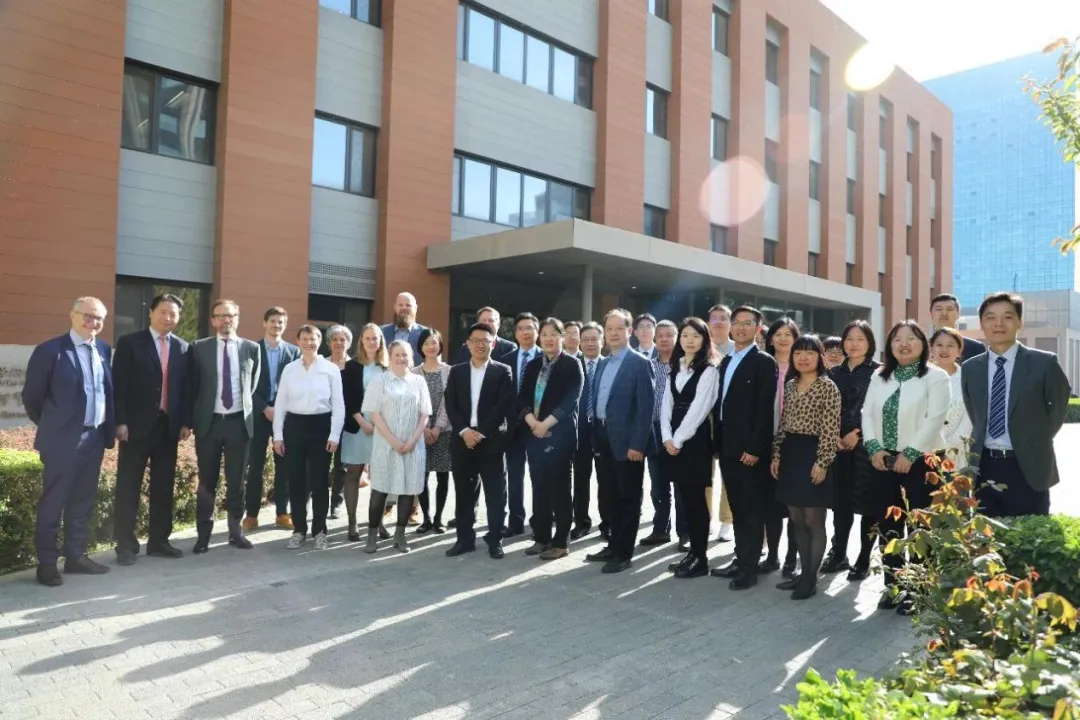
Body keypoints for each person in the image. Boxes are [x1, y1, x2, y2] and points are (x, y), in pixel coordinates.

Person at [23, 297, 116, 587]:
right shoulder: (50, 351)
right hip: (62, 441)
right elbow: (32, 398)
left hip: (94, 437)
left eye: (98, 318)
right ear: (72, 315)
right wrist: (55, 426)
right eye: (87, 316)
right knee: (53, 502)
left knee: (83, 501)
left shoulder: (103, 349)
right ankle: (47, 564)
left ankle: (75, 557)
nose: (93, 322)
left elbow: (106, 392)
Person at [862, 320, 950, 614]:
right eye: (897, 339)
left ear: (923, 344)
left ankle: (919, 588)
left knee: (920, 525)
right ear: (890, 346)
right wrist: (873, 448)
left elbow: (935, 418)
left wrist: (910, 454)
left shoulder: (935, 377)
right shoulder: (879, 376)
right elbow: (866, 413)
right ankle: (893, 585)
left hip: (922, 460)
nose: (904, 344)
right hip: (882, 461)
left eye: (911, 338)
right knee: (888, 524)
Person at [961, 292, 1071, 518]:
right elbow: (975, 414)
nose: (998, 323)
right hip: (985, 465)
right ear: (981, 324)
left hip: (1029, 465)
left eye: (1008, 317)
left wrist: (1034, 438)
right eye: (991, 317)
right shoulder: (970, 368)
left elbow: (1058, 407)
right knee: (986, 534)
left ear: (1020, 322)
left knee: (1030, 533)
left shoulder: (1044, 363)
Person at [112, 293, 191, 566]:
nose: (168, 318)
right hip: (135, 428)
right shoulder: (130, 343)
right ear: (151, 313)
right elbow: (119, 385)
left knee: (163, 487)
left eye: (173, 314)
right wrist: (120, 421)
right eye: (163, 312)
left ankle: (159, 541)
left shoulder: (183, 348)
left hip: (168, 428)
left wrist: (185, 422)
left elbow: (186, 389)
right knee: (128, 487)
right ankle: (125, 545)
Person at [770, 335, 842, 600]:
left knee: (813, 519)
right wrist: (776, 454)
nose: (803, 357)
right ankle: (803, 574)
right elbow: (783, 424)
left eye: (809, 353)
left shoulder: (828, 387)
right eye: (798, 352)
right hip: (791, 454)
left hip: (814, 454)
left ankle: (811, 578)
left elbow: (830, 429)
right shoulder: (790, 385)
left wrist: (822, 462)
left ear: (819, 357)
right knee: (796, 518)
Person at [585, 309, 656, 574]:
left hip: (628, 444)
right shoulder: (603, 363)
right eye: (609, 328)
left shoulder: (639, 363)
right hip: (603, 437)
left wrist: (637, 444)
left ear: (629, 331)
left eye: (619, 328)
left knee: (628, 498)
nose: (613, 333)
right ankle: (613, 544)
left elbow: (646, 409)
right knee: (609, 496)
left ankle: (624, 553)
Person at [187, 299, 261, 554]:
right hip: (209, 424)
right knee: (207, 482)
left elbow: (252, 385)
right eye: (221, 315)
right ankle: (203, 536)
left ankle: (235, 532)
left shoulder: (251, 348)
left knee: (236, 482)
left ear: (237, 318)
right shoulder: (199, 348)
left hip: (238, 424)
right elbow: (193, 386)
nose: (226, 320)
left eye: (231, 315)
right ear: (213, 320)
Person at [711, 306, 777, 590]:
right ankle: (740, 559)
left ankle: (749, 569)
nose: (740, 327)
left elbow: (764, 409)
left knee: (751, 510)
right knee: (738, 508)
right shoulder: (726, 360)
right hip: (727, 446)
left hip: (749, 451)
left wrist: (754, 448)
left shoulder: (763, 362)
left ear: (757, 329)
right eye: (736, 322)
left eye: (747, 323)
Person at [444, 322, 517, 559]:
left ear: (493, 344)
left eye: (485, 341)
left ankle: (495, 540)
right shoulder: (457, 371)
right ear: (467, 344)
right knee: (464, 494)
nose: (480, 345)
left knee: (496, 495)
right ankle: (464, 540)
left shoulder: (502, 371)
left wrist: (481, 432)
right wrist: (465, 431)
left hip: (491, 441)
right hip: (463, 441)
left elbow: (503, 406)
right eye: (475, 341)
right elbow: (451, 405)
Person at [273, 325, 344, 551]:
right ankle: (299, 530)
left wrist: (334, 435)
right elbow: (280, 404)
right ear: (298, 341)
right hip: (294, 426)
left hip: (321, 426)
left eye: (312, 339)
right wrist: (278, 436)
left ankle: (320, 531)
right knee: (296, 481)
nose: (308, 343)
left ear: (319, 341)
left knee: (319, 481)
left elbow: (339, 405)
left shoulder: (330, 369)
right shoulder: (289, 369)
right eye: (304, 339)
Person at [517, 318, 583, 560]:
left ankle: (561, 542)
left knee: (560, 489)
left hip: (560, 435)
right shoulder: (533, 365)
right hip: (534, 434)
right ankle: (542, 538)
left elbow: (571, 399)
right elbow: (522, 398)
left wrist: (545, 424)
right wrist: (533, 424)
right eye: (544, 334)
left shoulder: (572, 364)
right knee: (539, 487)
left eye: (553, 334)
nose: (548, 339)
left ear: (562, 337)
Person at [821, 320, 881, 581]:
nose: (853, 344)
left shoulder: (880, 372)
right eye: (849, 338)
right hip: (837, 447)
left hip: (868, 446)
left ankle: (864, 558)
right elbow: (826, 408)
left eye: (860, 339)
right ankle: (838, 553)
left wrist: (857, 433)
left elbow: (878, 409)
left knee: (869, 505)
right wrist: (833, 434)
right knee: (840, 503)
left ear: (870, 343)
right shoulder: (833, 373)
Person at [661, 317, 720, 579]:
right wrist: (666, 437)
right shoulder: (676, 367)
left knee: (696, 500)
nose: (690, 340)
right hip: (673, 439)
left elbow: (699, 409)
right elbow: (666, 404)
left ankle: (700, 557)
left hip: (694, 441)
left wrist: (678, 439)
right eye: (685, 335)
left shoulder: (709, 370)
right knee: (685, 499)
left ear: (704, 339)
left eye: (696, 336)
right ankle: (692, 555)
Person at [361, 340, 432, 554]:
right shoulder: (379, 381)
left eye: (405, 355)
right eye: (397, 355)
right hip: (385, 445)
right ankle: (372, 534)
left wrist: (412, 441)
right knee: (380, 490)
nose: (401, 358)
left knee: (408, 490)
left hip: (413, 446)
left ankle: (400, 535)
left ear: (411, 358)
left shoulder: (419, 381)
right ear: (389, 357)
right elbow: (374, 414)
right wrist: (392, 440)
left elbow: (424, 414)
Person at [245, 306, 299, 531]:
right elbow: (246, 384)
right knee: (255, 467)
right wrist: (264, 408)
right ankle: (251, 515)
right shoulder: (252, 349)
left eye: (280, 322)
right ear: (264, 323)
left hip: (284, 418)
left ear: (285, 326)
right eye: (273, 321)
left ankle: (282, 513)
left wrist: (281, 409)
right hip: (259, 416)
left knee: (284, 467)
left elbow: (297, 384)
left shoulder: (294, 352)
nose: (276, 325)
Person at [640, 319, 689, 550]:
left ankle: (685, 534)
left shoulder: (685, 366)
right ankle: (660, 530)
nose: (663, 339)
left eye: (669, 335)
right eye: (660, 335)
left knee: (681, 486)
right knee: (658, 486)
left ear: (676, 338)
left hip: (678, 432)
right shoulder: (648, 366)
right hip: (654, 431)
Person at [340, 323, 387, 542]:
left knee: (380, 477)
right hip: (357, 425)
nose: (371, 342)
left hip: (382, 428)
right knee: (353, 473)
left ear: (381, 341)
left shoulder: (387, 367)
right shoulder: (351, 366)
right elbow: (347, 397)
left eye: (375, 338)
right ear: (361, 341)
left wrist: (378, 425)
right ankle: (352, 522)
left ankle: (378, 522)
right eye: (367, 338)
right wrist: (362, 421)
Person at [763, 317, 800, 577]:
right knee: (771, 505)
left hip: (795, 445)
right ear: (771, 338)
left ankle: (791, 557)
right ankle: (772, 554)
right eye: (778, 334)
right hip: (766, 441)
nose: (783, 339)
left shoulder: (803, 366)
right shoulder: (763, 365)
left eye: (788, 334)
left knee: (795, 505)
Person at [411, 328, 453, 534]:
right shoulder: (413, 373)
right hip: (421, 431)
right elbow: (413, 404)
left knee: (443, 476)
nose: (430, 346)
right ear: (421, 347)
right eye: (426, 343)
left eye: (434, 342)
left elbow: (449, 403)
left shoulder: (450, 371)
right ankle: (426, 518)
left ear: (440, 345)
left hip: (444, 430)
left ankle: (438, 519)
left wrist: (437, 427)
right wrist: (426, 429)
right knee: (422, 476)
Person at [504, 312, 540, 537]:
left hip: (538, 425)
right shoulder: (506, 359)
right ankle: (515, 522)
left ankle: (540, 521)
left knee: (539, 475)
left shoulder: (547, 358)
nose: (526, 332)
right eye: (521, 328)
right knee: (514, 476)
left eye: (530, 328)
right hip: (513, 427)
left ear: (537, 332)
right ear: (515, 333)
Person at [707, 303, 736, 543]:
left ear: (730, 323)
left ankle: (727, 520)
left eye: (723, 318)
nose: (718, 322)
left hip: (729, 418)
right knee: (704, 472)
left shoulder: (738, 350)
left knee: (729, 472)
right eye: (714, 318)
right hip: (704, 418)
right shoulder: (701, 348)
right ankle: (705, 518)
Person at [572, 321, 603, 540]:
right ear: (580, 342)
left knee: (606, 480)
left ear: (602, 341)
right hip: (578, 431)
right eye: (586, 340)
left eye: (594, 339)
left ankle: (607, 523)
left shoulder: (610, 365)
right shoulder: (572, 365)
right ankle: (581, 522)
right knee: (580, 479)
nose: (590, 344)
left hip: (604, 430)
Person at [930, 327, 973, 460]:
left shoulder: (968, 380)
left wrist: (944, 448)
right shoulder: (919, 378)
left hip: (958, 453)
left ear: (959, 351)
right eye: (939, 345)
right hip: (922, 454)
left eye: (950, 345)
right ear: (931, 348)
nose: (944, 349)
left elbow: (969, 421)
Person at [325, 325, 353, 520]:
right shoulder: (322, 364)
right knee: (319, 462)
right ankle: (314, 500)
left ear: (349, 343)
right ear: (329, 343)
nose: (338, 343)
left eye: (342, 339)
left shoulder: (354, 366)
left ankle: (336, 503)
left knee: (341, 466)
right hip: (324, 419)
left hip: (347, 421)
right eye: (334, 339)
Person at [930, 293, 985, 363]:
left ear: (958, 314)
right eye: (939, 309)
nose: (944, 313)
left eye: (949, 309)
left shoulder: (976, 348)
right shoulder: (923, 347)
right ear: (931, 315)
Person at [453, 306, 518, 364]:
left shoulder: (509, 348)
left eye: (491, 320)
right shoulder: (466, 348)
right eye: (484, 320)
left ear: (498, 325)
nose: (486, 323)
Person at [380, 292, 428, 360]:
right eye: (400, 305)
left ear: (415, 308)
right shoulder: (381, 332)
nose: (404, 308)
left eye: (408, 305)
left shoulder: (426, 335)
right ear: (395, 307)